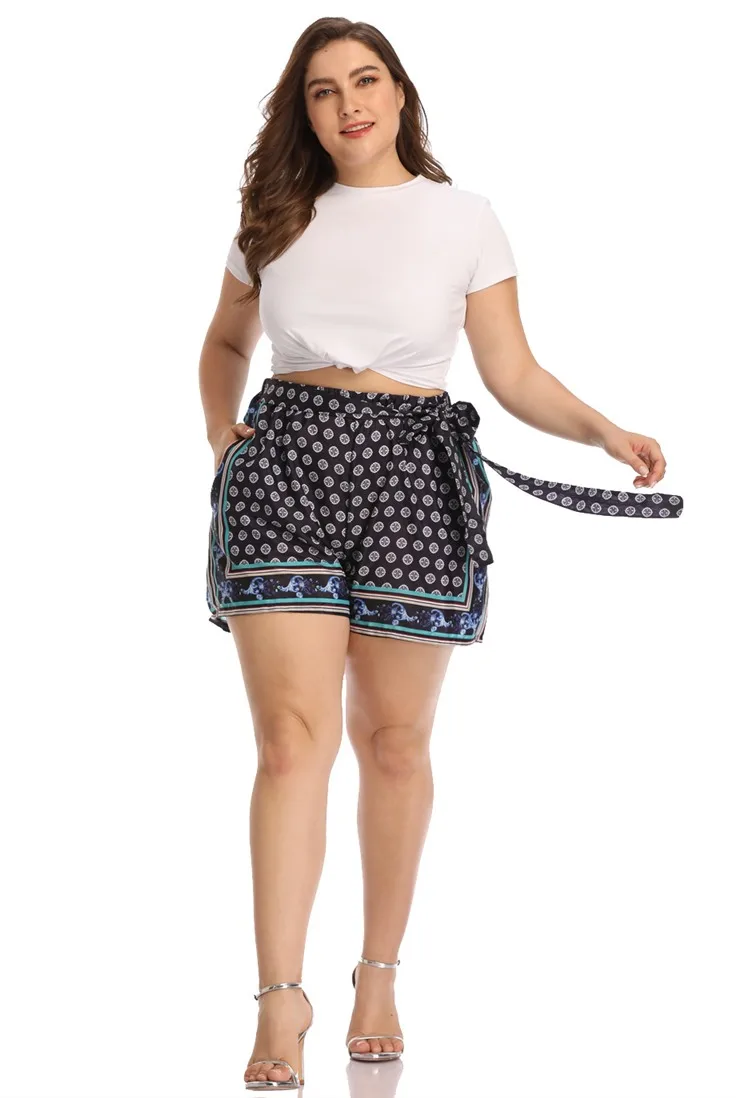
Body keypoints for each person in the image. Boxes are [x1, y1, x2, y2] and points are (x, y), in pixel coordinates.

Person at [198, 18, 682, 1092]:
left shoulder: (464, 218)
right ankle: (281, 997)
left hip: (413, 474)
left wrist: (604, 431)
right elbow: (226, 340)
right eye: (322, 90)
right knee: (287, 743)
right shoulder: (274, 216)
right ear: (304, 112)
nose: (348, 104)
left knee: (395, 743)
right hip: (285, 465)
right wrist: (224, 438)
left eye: (365, 80)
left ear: (401, 93)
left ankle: (376, 977)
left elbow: (511, 372)